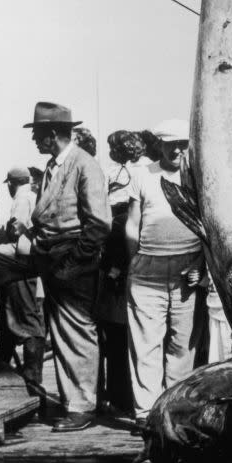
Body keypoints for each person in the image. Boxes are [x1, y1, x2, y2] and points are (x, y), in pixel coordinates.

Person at [0, 102, 111, 430]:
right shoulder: (52, 167)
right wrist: (27, 233)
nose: (34, 141)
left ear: (54, 134)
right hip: (42, 251)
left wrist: (74, 264)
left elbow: (99, 224)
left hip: (71, 259)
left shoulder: (85, 166)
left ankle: (81, 408)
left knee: (73, 329)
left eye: (38, 134)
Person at [126, 119, 204, 427]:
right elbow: (132, 222)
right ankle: (145, 414)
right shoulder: (142, 174)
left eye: (183, 144)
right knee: (146, 342)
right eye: (171, 144)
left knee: (182, 344)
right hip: (149, 266)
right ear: (160, 145)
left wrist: (201, 264)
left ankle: (174, 409)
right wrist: (133, 260)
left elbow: (208, 225)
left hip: (188, 268)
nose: (177, 150)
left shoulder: (197, 175)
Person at [95, 131, 147, 416]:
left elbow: (113, 223)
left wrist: (115, 266)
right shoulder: (148, 171)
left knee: (115, 333)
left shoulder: (116, 175)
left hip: (118, 260)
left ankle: (119, 395)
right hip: (141, 258)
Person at [0, 166, 47, 392]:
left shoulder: (22, 198)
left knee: (27, 321)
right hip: (28, 268)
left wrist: (1, 238)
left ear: (12, 184)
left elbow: (17, 230)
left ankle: (32, 380)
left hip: (20, 266)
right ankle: (1, 369)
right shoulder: (34, 195)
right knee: (7, 319)